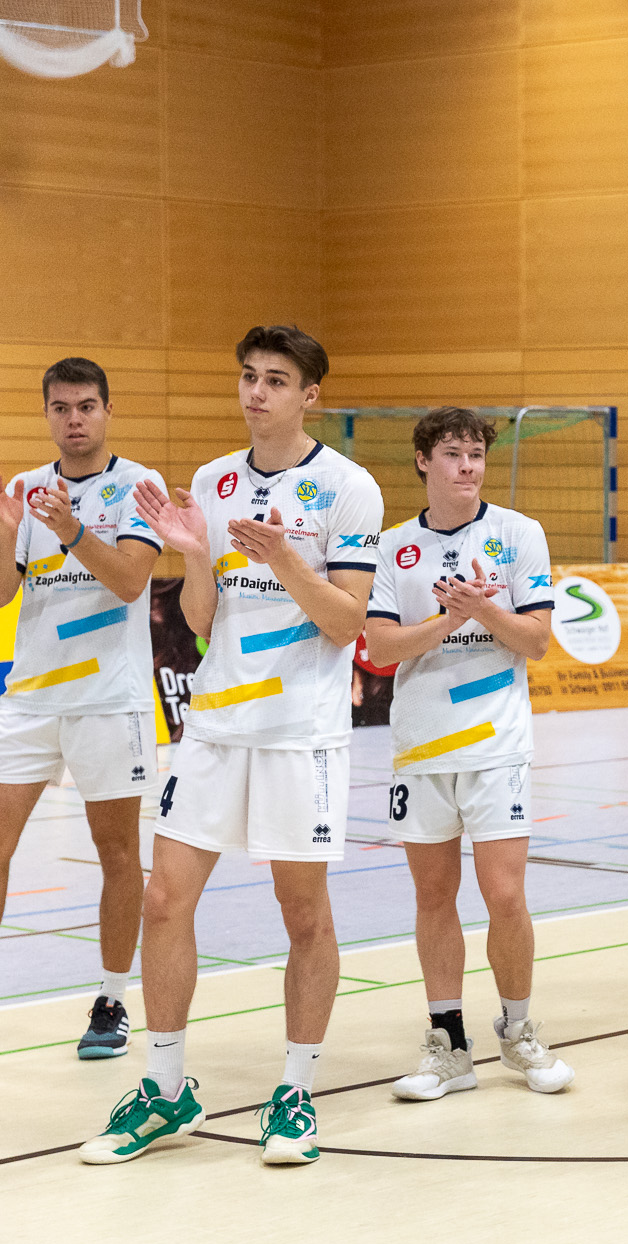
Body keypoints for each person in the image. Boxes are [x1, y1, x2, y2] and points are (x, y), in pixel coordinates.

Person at [81, 326, 384, 1166]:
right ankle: (167, 1087)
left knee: (303, 913)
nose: (256, 392)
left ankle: (294, 1091)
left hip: (300, 732)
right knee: (164, 901)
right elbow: (203, 623)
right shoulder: (213, 480)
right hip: (215, 726)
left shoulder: (347, 488)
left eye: (276, 380)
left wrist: (287, 559)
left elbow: (347, 622)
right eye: (249, 376)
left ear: (309, 394)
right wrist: (194, 556)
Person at [367, 407, 574, 1101]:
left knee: (505, 893)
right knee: (433, 894)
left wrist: (483, 611)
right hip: (421, 747)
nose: (467, 466)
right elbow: (379, 648)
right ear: (424, 461)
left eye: (476, 453)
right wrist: (447, 619)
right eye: (453, 453)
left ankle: (517, 1031)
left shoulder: (519, 535)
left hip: (496, 745)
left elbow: (538, 641)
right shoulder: (393, 547)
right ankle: (448, 1044)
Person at [0, 358, 164, 1059]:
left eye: (87, 405)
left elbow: (130, 580)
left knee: (118, 851)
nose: (74, 418)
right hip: (32, 698)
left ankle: (112, 998)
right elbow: (4, 595)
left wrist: (70, 529)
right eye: (62, 407)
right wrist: (8, 535)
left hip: (108, 701)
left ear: (106, 410)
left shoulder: (139, 486)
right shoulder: (21, 489)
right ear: (46, 413)